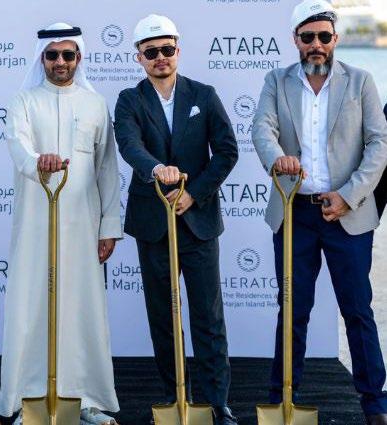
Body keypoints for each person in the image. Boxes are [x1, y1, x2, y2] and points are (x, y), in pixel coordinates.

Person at [251, 1, 387, 423]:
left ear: (335, 39)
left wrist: (348, 195)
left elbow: (379, 144)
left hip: (347, 215)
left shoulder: (361, 81)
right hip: (294, 214)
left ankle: (375, 403)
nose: (316, 45)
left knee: (358, 310)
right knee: (292, 310)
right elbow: (262, 129)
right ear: (295, 40)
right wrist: (277, 159)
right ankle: (282, 399)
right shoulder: (276, 81)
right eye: (307, 37)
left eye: (324, 37)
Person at [114, 14, 239, 425]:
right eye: (151, 51)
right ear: (139, 57)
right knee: (164, 319)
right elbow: (129, 145)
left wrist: (192, 193)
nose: (160, 57)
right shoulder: (129, 100)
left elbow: (227, 151)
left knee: (208, 317)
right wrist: (157, 170)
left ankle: (217, 403)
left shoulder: (204, 94)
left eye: (167, 49)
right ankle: (175, 399)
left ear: (178, 51)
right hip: (153, 224)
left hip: (197, 223)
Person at [0, 22, 123, 425]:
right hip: (36, 221)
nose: (60, 62)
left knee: (82, 308)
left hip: (84, 224)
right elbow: (18, 146)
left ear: (78, 57)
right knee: (31, 306)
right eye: (52, 55)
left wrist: (109, 226)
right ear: (42, 59)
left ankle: (84, 400)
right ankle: (28, 400)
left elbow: (107, 168)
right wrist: (39, 162)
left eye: (68, 55)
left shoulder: (95, 104)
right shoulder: (24, 101)